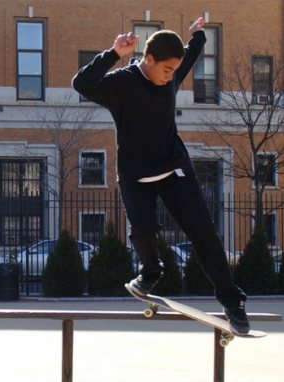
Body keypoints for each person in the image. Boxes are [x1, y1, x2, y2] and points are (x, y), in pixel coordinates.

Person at [72, 17, 250, 334]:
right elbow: (81, 84)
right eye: (166, 70)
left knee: (204, 233)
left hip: (173, 167)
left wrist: (199, 37)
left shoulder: (169, 74)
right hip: (135, 174)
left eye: (173, 72)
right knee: (143, 230)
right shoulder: (121, 83)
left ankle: (232, 303)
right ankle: (150, 272)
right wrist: (114, 53)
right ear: (148, 59)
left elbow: (189, 55)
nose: (170, 78)